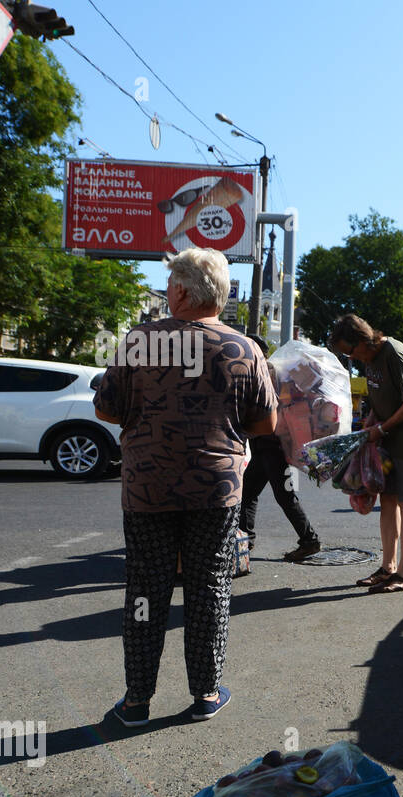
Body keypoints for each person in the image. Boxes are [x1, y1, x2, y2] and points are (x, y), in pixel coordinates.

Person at [94, 247, 277, 726]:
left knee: (145, 590)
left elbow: (105, 409)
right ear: (223, 292)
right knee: (209, 587)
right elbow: (267, 422)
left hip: (147, 488)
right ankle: (206, 694)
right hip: (216, 489)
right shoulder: (243, 349)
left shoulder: (139, 341)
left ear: (178, 290)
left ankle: (136, 702)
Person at [328, 314, 403, 593]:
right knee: (387, 502)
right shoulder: (370, 359)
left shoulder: (395, 355)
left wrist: (382, 429)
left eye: (350, 352)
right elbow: (381, 401)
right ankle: (387, 567)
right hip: (388, 442)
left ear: (363, 340)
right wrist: (370, 423)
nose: (352, 359)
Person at [238, 334, 322, 561]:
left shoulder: (265, 372)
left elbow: (266, 406)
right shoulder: (272, 371)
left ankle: (309, 540)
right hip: (269, 444)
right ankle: (245, 540)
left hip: (271, 444)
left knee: (284, 496)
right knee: (249, 492)